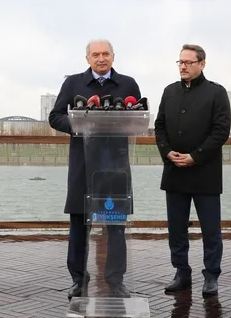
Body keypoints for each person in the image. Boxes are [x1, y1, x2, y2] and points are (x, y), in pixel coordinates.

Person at [48, 39, 141, 299]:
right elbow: (55, 116)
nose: (101, 59)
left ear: (113, 56)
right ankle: (78, 280)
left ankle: (115, 281)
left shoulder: (128, 84)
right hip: (83, 165)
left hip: (116, 166)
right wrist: (77, 124)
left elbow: (137, 114)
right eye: (96, 54)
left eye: (106, 54)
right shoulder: (73, 83)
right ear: (87, 58)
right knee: (79, 226)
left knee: (116, 225)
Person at [154, 43, 231, 297]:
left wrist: (195, 157)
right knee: (176, 229)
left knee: (211, 230)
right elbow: (159, 126)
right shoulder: (169, 91)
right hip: (175, 170)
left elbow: (221, 131)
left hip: (205, 172)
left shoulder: (216, 92)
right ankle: (181, 272)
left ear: (202, 64)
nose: (183, 66)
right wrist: (167, 152)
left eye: (188, 62)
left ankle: (211, 275)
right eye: (180, 62)